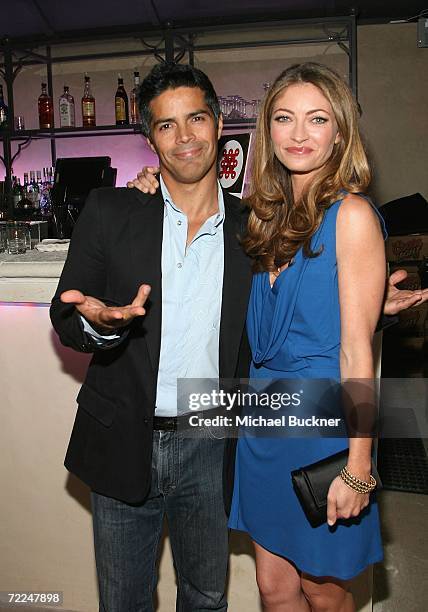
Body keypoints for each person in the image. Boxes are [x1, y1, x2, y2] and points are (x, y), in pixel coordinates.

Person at [129, 63, 428, 612]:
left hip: (322, 427)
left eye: (317, 119)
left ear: (340, 132)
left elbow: (356, 350)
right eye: (284, 119)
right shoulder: (262, 217)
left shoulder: (353, 215)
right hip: (263, 424)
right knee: (275, 589)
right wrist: (150, 186)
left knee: (323, 590)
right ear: (266, 130)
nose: (298, 134)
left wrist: (359, 467)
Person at [50, 63, 252, 612]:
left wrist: (369, 306)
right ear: (150, 140)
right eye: (167, 125)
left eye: (196, 119)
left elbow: (298, 312)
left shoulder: (255, 226)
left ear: (218, 127)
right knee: (123, 602)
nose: (184, 137)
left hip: (211, 442)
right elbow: (65, 314)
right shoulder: (111, 211)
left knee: (207, 597)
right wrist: (98, 321)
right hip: (122, 439)